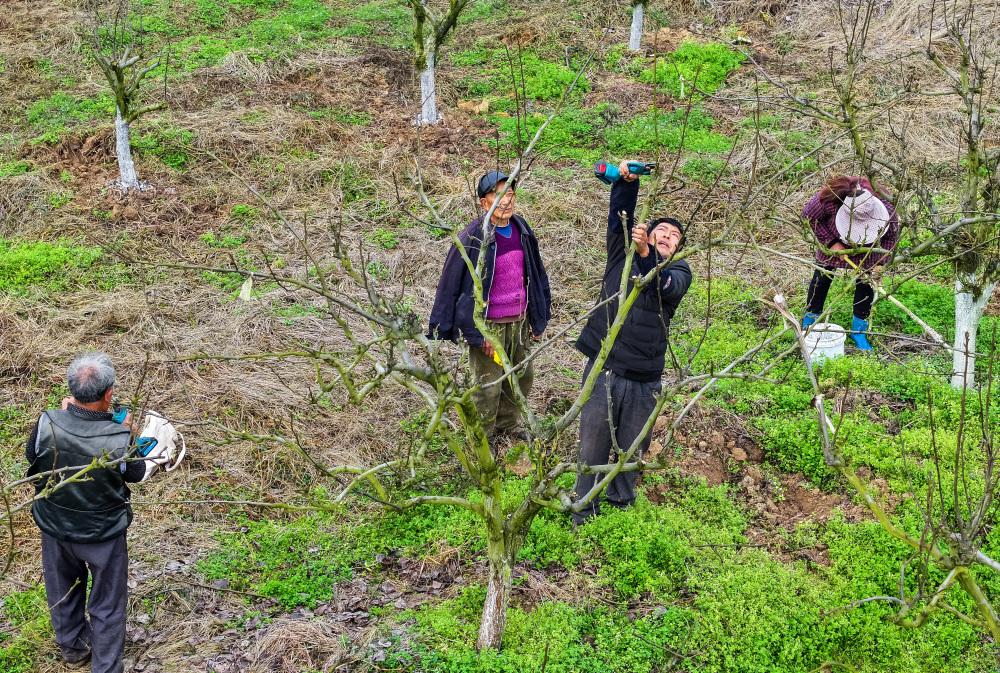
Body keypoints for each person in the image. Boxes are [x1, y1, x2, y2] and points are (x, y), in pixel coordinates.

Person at [573, 160, 692, 526]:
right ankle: (584, 509)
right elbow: (619, 217)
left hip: (645, 377)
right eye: (661, 231)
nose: (667, 236)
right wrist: (627, 184)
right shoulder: (623, 254)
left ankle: (621, 505)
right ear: (646, 233)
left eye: (674, 235)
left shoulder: (678, 272)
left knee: (632, 447)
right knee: (592, 444)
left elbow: (665, 287)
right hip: (604, 368)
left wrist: (647, 256)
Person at [26, 352, 144, 673]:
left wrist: (67, 418)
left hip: (55, 526)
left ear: (71, 390)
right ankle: (105, 668)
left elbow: (31, 457)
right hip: (102, 535)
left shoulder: (45, 422)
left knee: (62, 591)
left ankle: (74, 648)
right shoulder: (119, 438)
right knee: (107, 604)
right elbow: (135, 472)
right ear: (108, 395)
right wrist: (126, 434)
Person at [428, 171, 552, 438]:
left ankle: (508, 425)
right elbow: (452, 285)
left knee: (521, 376)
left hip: (519, 322)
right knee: (488, 385)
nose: (506, 200)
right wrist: (475, 331)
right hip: (490, 328)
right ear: (485, 203)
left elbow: (537, 274)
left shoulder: (522, 230)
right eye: (498, 194)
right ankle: (482, 437)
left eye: (510, 193)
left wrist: (538, 318)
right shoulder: (473, 237)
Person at [801, 176, 899, 350]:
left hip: (868, 249)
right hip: (833, 239)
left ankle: (858, 331)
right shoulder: (829, 198)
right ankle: (809, 323)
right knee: (821, 278)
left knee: (866, 283)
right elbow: (809, 217)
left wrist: (880, 264)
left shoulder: (887, 209)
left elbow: (891, 237)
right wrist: (832, 243)